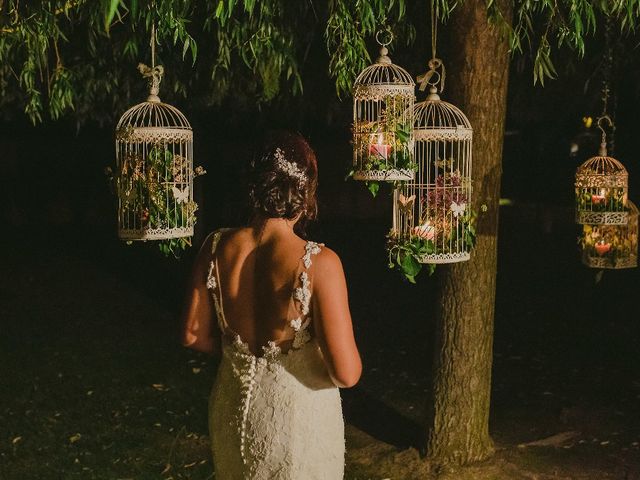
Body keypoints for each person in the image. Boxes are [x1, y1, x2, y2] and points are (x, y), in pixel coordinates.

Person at [181, 131, 362, 479]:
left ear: (253, 187)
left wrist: (241, 355)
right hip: (294, 418)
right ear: (306, 191)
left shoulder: (215, 246)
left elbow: (192, 335)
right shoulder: (320, 263)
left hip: (234, 411)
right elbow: (346, 373)